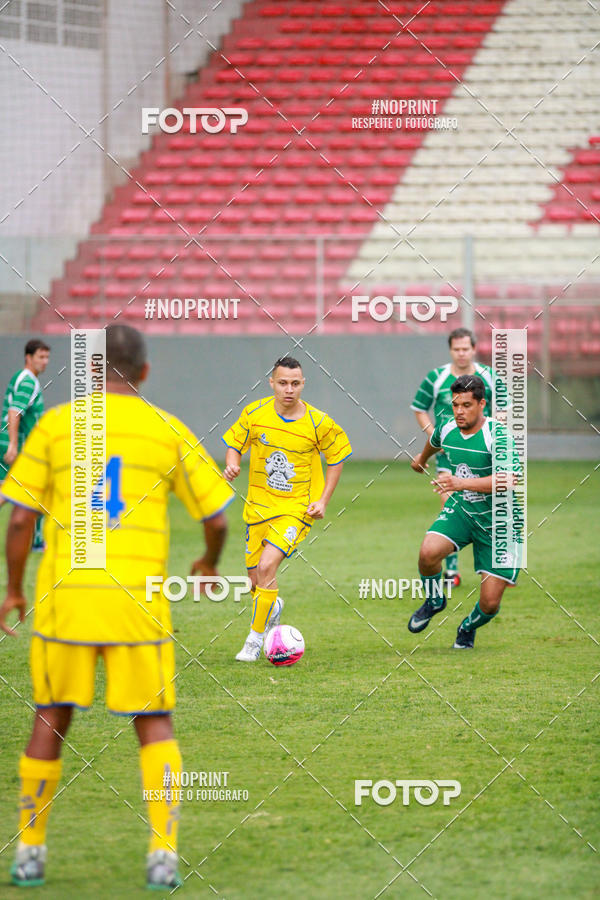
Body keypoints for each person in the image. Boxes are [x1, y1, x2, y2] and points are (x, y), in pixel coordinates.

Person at [0, 324, 234, 889]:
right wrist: (206, 564)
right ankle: (163, 855)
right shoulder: (166, 428)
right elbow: (218, 518)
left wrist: (13, 589)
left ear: (88, 371)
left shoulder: (56, 426)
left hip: (66, 600)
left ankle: (29, 851)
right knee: (154, 721)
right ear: (145, 372)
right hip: (139, 603)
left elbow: (18, 519)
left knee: (50, 716)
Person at [222, 356, 351, 662]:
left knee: (268, 567)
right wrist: (232, 463)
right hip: (257, 508)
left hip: (295, 509)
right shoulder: (255, 413)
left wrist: (322, 501)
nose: (289, 389)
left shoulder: (319, 422)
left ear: (303, 384)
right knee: (256, 580)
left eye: (295, 383)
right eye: (282, 383)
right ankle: (272, 606)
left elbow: (337, 458)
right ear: (272, 383)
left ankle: (254, 642)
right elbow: (235, 443)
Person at [408, 374, 521, 649]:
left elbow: (509, 479)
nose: (459, 411)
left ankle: (467, 626)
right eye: (456, 404)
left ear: (483, 404)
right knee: (427, 553)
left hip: (500, 523)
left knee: (491, 603)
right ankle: (436, 600)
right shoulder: (447, 426)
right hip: (463, 509)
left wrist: (461, 483)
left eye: (467, 405)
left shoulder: (498, 435)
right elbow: (434, 440)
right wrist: (421, 459)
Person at [410, 327, 504, 589]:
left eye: (466, 348)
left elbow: (505, 409)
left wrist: (492, 436)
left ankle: (499, 566)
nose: (461, 353)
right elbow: (419, 408)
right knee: (450, 505)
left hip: (483, 456)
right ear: (450, 350)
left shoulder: (489, 376)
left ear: (473, 349)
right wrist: (435, 437)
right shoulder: (436, 378)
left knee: (494, 505)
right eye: (456, 349)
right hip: (447, 459)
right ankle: (451, 572)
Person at [0, 339, 50, 550]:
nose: (45, 362)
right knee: (32, 490)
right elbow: (14, 411)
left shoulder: (25, 379)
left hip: (16, 445)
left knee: (19, 492)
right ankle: (37, 542)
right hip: (18, 447)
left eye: (47, 357)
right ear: (28, 358)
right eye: (40, 357)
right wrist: (13, 444)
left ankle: (37, 541)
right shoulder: (28, 381)